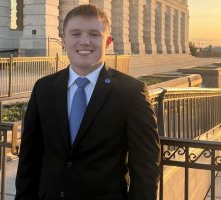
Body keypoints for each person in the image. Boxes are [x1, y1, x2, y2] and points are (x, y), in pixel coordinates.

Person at [15, 4, 160, 200]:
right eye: (76, 34)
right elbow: (29, 159)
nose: (84, 41)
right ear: (63, 41)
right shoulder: (44, 89)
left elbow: (146, 167)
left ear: (107, 41)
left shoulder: (131, 93)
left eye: (94, 34)